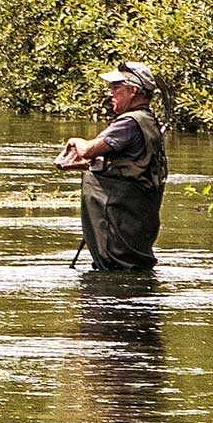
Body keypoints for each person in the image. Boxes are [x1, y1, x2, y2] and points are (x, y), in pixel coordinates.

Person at [54, 61, 167, 271]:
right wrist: (87, 165)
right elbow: (131, 165)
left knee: (116, 267)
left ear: (133, 91)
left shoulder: (129, 123)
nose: (110, 93)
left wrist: (75, 141)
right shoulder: (147, 120)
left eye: (116, 87)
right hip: (133, 214)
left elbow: (88, 150)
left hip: (119, 214)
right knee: (131, 267)